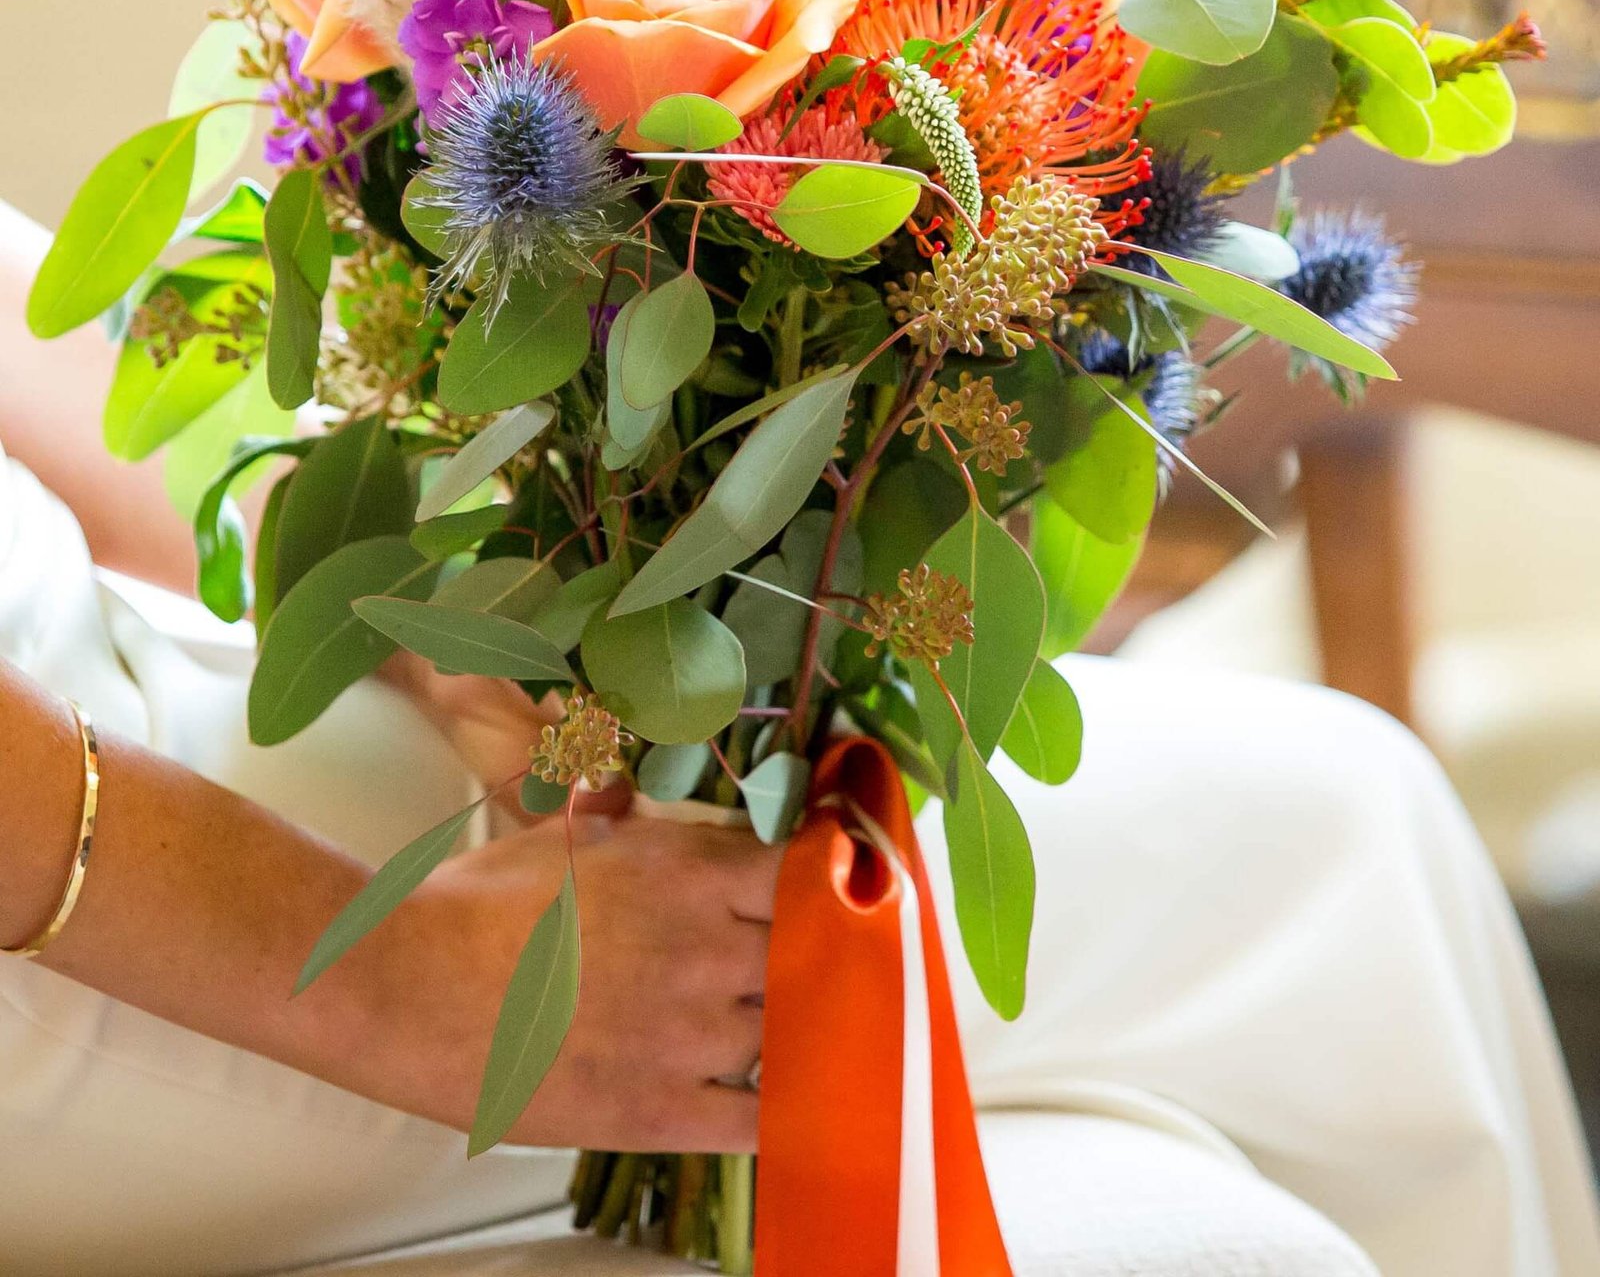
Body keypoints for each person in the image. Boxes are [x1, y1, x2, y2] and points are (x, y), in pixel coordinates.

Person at [2, 194, 1598, 1277]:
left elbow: (100, 392)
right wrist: (404, 984)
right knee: (1327, 852)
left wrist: (435, 627)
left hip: (164, 705)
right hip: (82, 916)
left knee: (1308, 951)